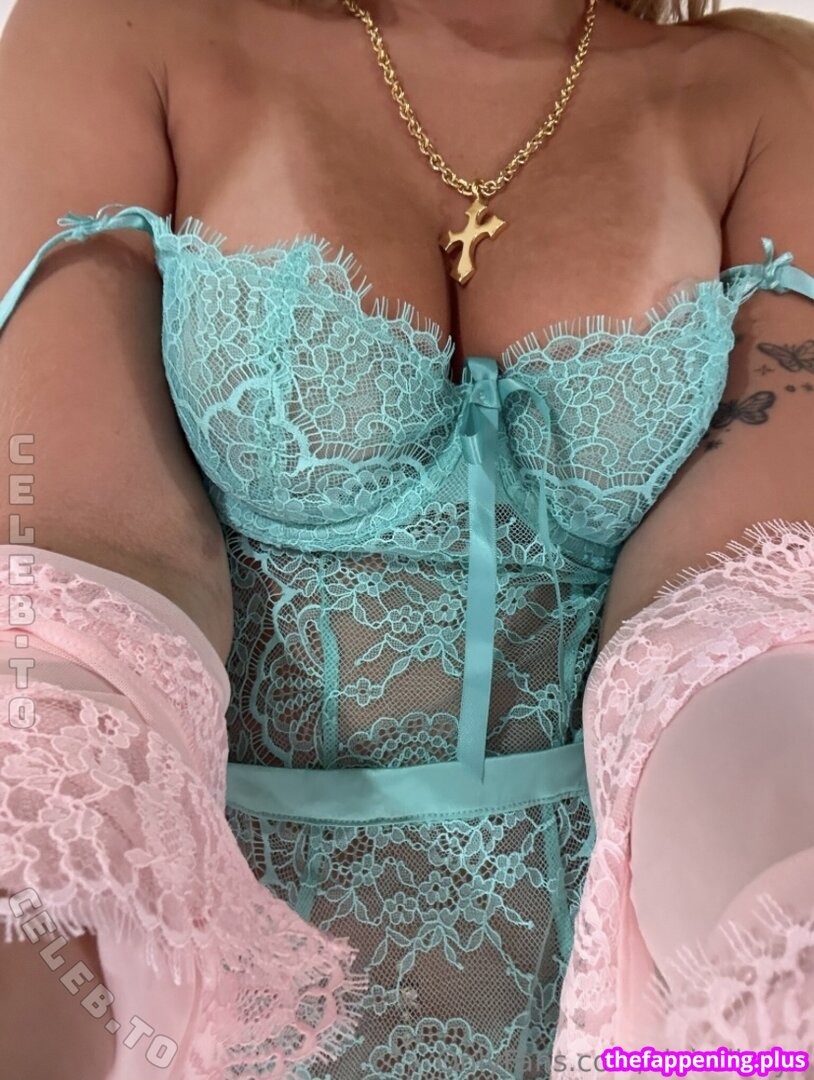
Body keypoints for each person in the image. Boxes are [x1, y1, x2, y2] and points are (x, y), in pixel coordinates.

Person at [0, 0, 812, 1077]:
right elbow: (79, 585)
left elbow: (732, 620)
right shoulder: (121, 32)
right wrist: (37, 926)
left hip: (620, 1002)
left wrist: (775, 964)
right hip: (194, 994)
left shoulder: (765, 94)